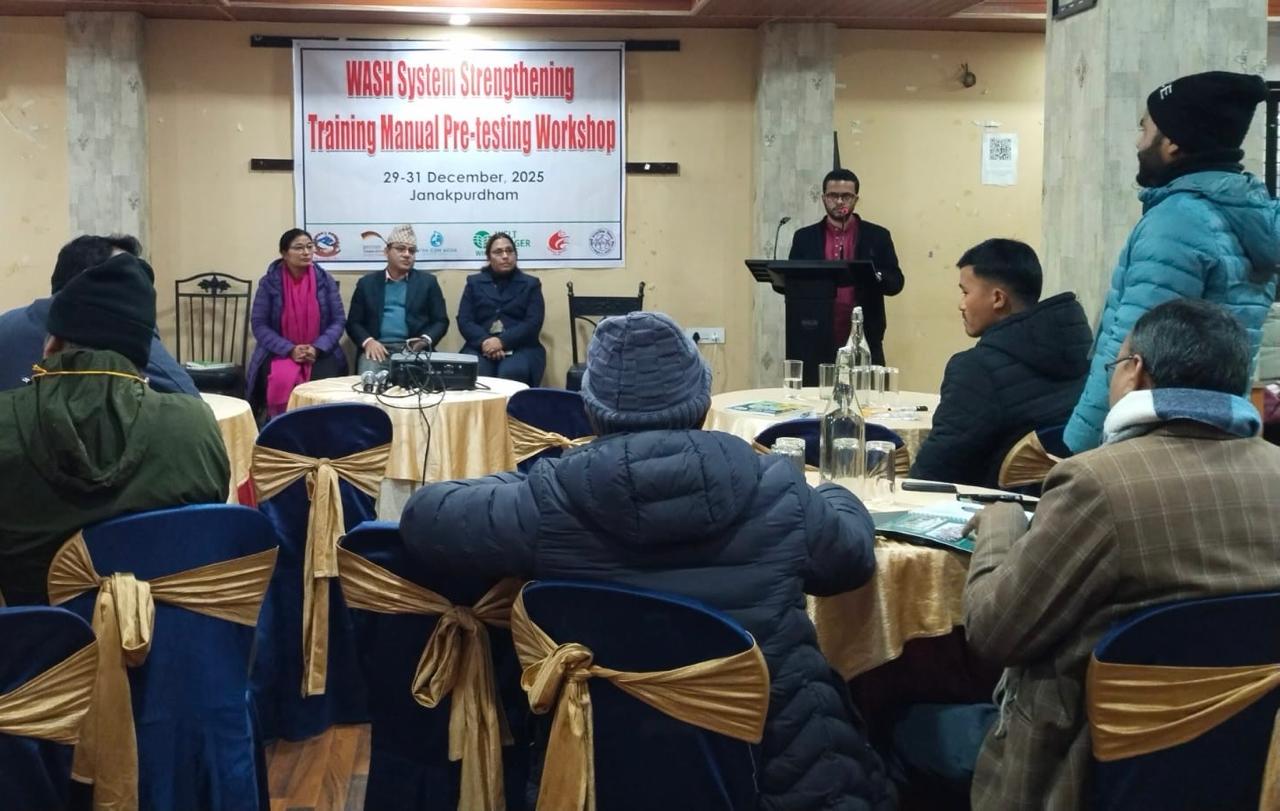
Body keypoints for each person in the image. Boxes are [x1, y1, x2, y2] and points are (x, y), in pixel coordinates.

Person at [401, 311, 895, 811]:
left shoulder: (549, 497)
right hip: (780, 768)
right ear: (702, 402)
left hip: (601, 770)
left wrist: (528, 479)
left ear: (591, 410)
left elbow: (425, 517)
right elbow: (852, 559)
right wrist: (834, 491)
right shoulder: (776, 486)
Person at [962, 298, 1280, 810]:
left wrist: (1001, 523)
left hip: (1077, 772)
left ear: (1134, 371)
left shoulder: (1098, 482)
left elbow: (994, 631)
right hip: (1249, 771)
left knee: (899, 724)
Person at [1063, 70, 1280, 453]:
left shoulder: (1177, 222)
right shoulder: (1249, 216)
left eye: (1144, 129)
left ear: (1174, 142)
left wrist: (1076, 446)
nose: (1138, 142)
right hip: (1218, 427)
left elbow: (1131, 350)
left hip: (1154, 433)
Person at [0, 252, 229, 605]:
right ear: (142, 361)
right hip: (165, 631)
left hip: (33, 635)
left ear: (51, 345)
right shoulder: (195, 426)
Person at [910, 239, 1091, 487]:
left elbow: (934, 471)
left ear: (997, 298)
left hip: (990, 505)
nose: (961, 305)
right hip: (1067, 497)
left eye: (965, 292)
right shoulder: (1085, 353)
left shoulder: (975, 369)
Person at [0, 234, 198, 395]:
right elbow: (187, 396)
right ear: (95, 280)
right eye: (125, 275)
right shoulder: (117, 328)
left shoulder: (6, 323)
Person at [789, 167, 905, 363]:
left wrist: (874, 275)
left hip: (866, 338)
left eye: (846, 196)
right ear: (823, 198)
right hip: (814, 334)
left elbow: (896, 282)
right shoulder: (804, 238)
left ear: (856, 199)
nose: (840, 201)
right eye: (833, 196)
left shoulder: (877, 236)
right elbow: (791, 282)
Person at [246, 228, 348, 416]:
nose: (306, 252)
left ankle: (321, 429)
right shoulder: (269, 282)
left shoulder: (325, 280)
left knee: (322, 385)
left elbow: (338, 320)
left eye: (310, 246)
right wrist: (289, 349)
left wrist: (317, 347)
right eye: (299, 248)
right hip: (279, 351)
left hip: (320, 351)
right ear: (284, 253)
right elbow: (259, 324)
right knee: (279, 379)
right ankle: (281, 425)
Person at [346, 224, 449, 374]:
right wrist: (368, 342)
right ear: (386, 252)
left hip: (414, 349)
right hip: (378, 349)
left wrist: (424, 340)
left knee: (427, 384)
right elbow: (353, 323)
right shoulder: (367, 284)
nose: (407, 254)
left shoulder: (428, 282)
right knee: (369, 382)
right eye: (400, 249)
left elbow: (440, 321)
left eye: (412, 251)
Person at [456, 232, 546, 386]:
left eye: (509, 251)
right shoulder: (474, 283)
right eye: (498, 252)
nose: (505, 256)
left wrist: (502, 341)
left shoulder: (531, 284)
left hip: (521, 347)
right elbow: (465, 320)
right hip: (480, 346)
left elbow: (533, 323)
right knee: (478, 372)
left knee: (511, 372)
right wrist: (486, 342)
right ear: (488, 257)